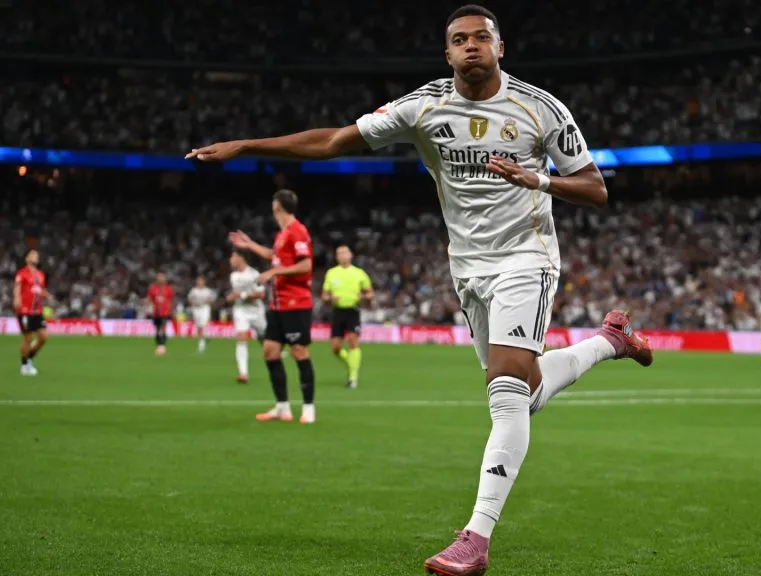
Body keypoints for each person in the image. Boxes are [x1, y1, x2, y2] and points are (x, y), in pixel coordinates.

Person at [188, 5, 653, 573]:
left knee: (506, 393)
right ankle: (611, 341)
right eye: (460, 39)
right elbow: (335, 140)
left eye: (482, 37)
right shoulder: (424, 106)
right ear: (448, 52)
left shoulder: (540, 107)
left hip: (526, 258)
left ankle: (476, 539)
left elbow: (595, 188)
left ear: (500, 48)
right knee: (524, 395)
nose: (471, 46)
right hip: (467, 267)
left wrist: (538, 179)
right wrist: (244, 146)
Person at [227, 190, 317, 424]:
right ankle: (282, 408)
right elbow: (273, 256)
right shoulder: (282, 234)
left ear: (277, 206)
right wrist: (249, 245)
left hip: (296, 302)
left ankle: (308, 409)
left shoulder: (297, 230)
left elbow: (306, 264)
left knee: (299, 351)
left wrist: (275, 272)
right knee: (270, 351)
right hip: (278, 304)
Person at [322, 245, 374, 388]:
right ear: (337, 257)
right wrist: (330, 298)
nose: (342, 255)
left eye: (345, 252)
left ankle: (353, 378)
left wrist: (363, 296)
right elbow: (324, 295)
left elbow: (370, 293)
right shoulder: (331, 273)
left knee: (352, 341)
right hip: (337, 311)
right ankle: (352, 364)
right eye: (339, 253)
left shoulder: (359, 273)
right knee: (335, 348)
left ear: (350, 256)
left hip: (353, 310)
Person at [227, 251, 267, 383]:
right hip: (240, 311)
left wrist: (241, 295)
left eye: (233, 257)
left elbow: (261, 295)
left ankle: (272, 351)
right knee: (242, 338)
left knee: (265, 339)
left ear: (240, 257)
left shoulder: (253, 274)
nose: (231, 260)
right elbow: (235, 294)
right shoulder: (233, 276)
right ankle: (243, 373)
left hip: (256, 311)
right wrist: (232, 298)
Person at [14, 249, 49, 376]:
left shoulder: (40, 275)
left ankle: (28, 359)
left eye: (37, 255)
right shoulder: (22, 273)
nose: (35, 257)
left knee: (44, 337)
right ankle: (24, 366)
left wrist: (47, 295)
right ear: (27, 259)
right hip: (25, 310)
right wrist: (16, 299)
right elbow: (17, 287)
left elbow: (40, 289)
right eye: (32, 255)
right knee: (28, 338)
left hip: (37, 311)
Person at [188, 275, 217, 353]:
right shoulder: (193, 290)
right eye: (198, 281)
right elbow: (190, 299)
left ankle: (201, 345)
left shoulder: (208, 291)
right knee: (198, 327)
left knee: (202, 326)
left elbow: (211, 300)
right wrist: (194, 303)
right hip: (196, 309)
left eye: (201, 281)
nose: (200, 282)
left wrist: (207, 301)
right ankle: (206, 337)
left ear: (204, 282)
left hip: (205, 309)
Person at [147, 272, 174, 356]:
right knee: (157, 329)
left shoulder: (168, 288)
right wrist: (149, 308)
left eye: (162, 277)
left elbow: (171, 300)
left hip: (165, 312)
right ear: (156, 279)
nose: (161, 279)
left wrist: (171, 310)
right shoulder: (152, 288)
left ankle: (162, 346)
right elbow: (150, 299)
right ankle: (158, 345)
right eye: (159, 277)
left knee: (163, 328)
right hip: (156, 312)